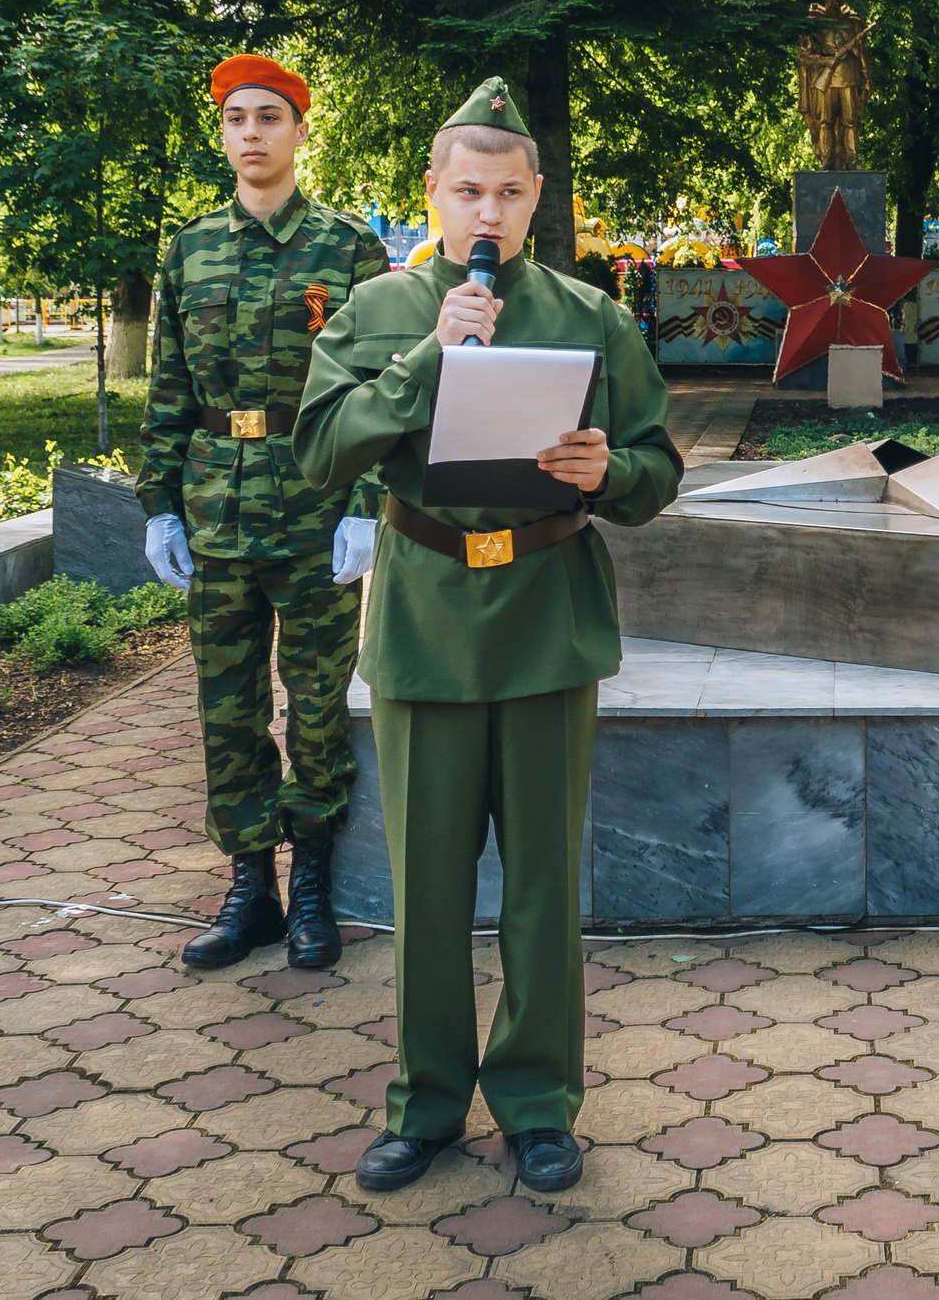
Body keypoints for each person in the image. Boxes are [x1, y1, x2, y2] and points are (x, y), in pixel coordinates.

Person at [297, 77, 682, 1196]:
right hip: (423, 615)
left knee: (542, 884)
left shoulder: (588, 314)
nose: (486, 213)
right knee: (423, 884)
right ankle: (423, 1103)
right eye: (467, 189)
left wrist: (611, 469)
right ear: (432, 190)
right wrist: (430, 355)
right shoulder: (377, 309)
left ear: (536, 198)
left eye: (508, 193)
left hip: (546, 615)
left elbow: (658, 467)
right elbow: (320, 450)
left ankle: (535, 1102)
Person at [138, 54, 388, 974]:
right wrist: (157, 505)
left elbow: (378, 387)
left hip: (316, 503)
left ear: (298, 131)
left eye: (269, 118)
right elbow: (166, 388)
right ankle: (252, 886)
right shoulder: (190, 247)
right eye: (237, 119)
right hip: (214, 511)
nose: (251, 133)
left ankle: (316, 878)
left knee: (319, 706)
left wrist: (367, 503)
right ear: (223, 132)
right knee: (227, 709)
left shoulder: (348, 247)